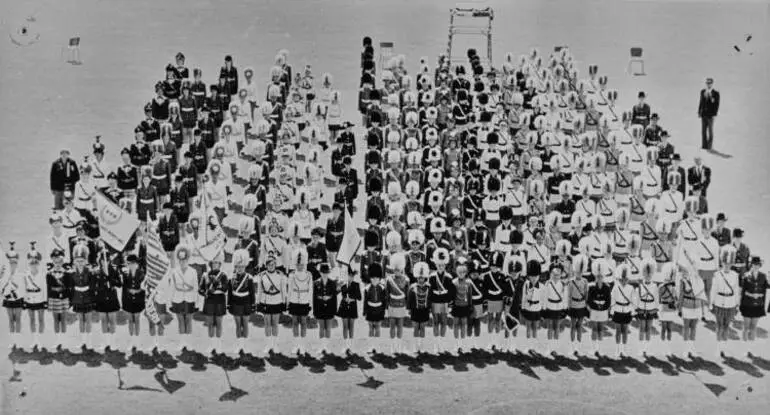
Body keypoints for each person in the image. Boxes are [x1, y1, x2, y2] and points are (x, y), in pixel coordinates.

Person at [711, 246, 740, 358]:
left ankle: (724, 348)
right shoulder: (717, 274)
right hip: (719, 303)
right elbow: (713, 289)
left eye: (729, 264)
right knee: (719, 326)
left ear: (731, 264)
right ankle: (718, 348)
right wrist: (711, 303)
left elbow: (736, 290)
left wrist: (736, 304)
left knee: (727, 326)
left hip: (730, 303)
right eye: (725, 263)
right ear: (722, 263)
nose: (727, 266)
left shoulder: (735, 275)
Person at [256, 253, 287, 354]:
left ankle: (275, 344)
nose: (271, 266)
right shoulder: (262, 276)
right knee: (267, 324)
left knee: (275, 324)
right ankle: (268, 345)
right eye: (269, 264)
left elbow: (283, 290)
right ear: (266, 265)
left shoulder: (280, 275)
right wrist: (258, 302)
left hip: (277, 301)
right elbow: (259, 290)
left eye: (273, 264)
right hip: (266, 301)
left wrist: (284, 302)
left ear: (276, 264)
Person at [169, 245, 198, 351]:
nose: (182, 261)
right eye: (180, 259)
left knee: (189, 321)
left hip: (190, 298)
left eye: (184, 259)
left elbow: (195, 287)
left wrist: (196, 302)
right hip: (178, 298)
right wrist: (171, 301)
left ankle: (189, 343)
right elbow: (172, 287)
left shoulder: (193, 271)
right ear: (178, 259)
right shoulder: (175, 271)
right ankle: (182, 342)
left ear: (187, 259)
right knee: (181, 320)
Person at [739, 256, 769, 358]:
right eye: (754, 264)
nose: (756, 266)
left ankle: (750, 349)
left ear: (760, 266)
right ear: (751, 265)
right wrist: (751, 295)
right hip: (747, 305)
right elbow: (743, 292)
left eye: (757, 265)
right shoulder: (746, 276)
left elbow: (767, 286)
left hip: (758, 306)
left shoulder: (763, 276)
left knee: (753, 327)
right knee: (746, 327)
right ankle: (744, 348)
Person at [93, 247, 121, 351]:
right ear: (100, 260)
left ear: (110, 260)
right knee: (104, 321)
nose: (105, 261)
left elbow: (119, 284)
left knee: (112, 321)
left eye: (107, 259)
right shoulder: (96, 271)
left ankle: (113, 342)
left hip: (112, 298)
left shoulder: (114, 269)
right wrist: (103, 284)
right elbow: (94, 286)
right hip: (101, 298)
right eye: (103, 259)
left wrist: (111, 280)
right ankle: (105, 342)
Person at [228, 250, 254, 355]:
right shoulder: (232, 278)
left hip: (246, 303)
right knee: (238, 325)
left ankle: (245, 345)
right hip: (236, 303)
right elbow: (230, 293)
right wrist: (229, 304)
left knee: (245, 324)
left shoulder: (249, 278)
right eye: (238, 266)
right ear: (235, 266)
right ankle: (239, 345)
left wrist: (253, 305)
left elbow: (252, 293)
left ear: (245, 267)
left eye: (242, 267)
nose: (240, 269)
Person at [70, 244, 95, 350]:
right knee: (80, 320)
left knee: (88, 320)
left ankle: (88, 341)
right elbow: (71, 287)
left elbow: (92, 286)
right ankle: (82, 341)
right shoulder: (72, 273)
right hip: (77, 298)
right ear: (74, 261)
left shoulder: (89, 272)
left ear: (86, 261)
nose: (80, 263)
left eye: (82, 261)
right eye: (78, 261)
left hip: (87, 298)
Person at [287, 251, 312, 354]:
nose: (300, 266)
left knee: (304, 323)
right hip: (294, 300)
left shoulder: (308, 275)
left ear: (305, 264)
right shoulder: (292, 275)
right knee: (294, 323)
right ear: (295, 264)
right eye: (298, 265)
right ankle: (296, 344)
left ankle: (302, 345)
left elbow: (310, 290)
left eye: (302, 265)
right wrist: (288, 302)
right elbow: (289, 290)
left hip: (304, 301)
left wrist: (310, 303)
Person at [47, 249, 72, 349]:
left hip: (64, 299)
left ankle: (64, 340)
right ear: (52, 261)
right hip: (54, 299)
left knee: (64, 320)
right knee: (56, 320)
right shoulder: (49, 273)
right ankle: (57, 340)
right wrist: (47, 301)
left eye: (60, 261)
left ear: (63, 261)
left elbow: (70, 287)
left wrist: (69, 300)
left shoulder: (67, 273)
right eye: (55, 261)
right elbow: (48, 288)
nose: (57, 263)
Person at [634, 259, 659, 357]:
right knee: (641, 328)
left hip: (651, 309)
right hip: (641, 308)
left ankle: (647, 349)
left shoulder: (654, 286)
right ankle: (641, 348)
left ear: (652, 274)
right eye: (646, 273)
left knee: (648, 329)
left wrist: (656, 309)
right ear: (643, 274)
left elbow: (656, 299)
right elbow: (637, 298)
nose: (648, 276)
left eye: (649, 274)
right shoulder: (640, 286)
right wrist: (636, 309)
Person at [121, 254, 146, 350]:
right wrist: (124, 302)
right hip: (128, 300)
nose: (131, 265)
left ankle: (137, 341)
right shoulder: (126, 274)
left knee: (137, 319)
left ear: (137, 264)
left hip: (138, 300)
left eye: (133, 263)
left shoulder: (141, 273)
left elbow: (144, 288)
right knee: (130, 320)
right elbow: (124, 288)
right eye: (129, 263)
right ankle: (131, 341)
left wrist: (138, 291)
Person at [542, 263, 567, 356]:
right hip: (550, 307)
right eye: (554, 274)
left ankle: (555, 348)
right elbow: (544, 296)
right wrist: (544, 308)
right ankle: (549, 348)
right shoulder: (548, 283)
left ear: (561, 275)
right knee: (550, 327)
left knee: (557, 328)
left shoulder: (563, 284)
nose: (556, 276)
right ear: (551, 274)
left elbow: (564, 297)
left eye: (558, 274)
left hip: (559, 307)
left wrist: (564, 308)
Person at [2, 242, 23, 349]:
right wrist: (6, 294)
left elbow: (22, 288)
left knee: (18, 319)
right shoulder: (3, 274)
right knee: (10, 319)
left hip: (17, 298)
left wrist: (16, 295)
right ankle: (12, 340)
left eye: (14, 262)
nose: (12, 264)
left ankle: (18, 340)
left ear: (17, 263)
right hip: (8, 298)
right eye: (10, 262)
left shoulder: (20, 274)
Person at [407, 262, 431, 354]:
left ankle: (422, 346)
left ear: (425, 277)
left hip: (425, 311)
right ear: (416, 277)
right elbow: (409, 300)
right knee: (416, 328)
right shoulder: (412, 287)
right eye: (419, 277)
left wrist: (430, 309)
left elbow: (430, 299)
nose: (421, 279)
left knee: (423, 328)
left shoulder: (429, 287)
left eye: (422, 277)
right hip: (415, 311)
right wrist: (409, 309)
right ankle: (415, 346)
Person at [587, 262, 611, 356]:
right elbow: (589, 300)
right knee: (594, 328)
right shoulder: (591, 286)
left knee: (601, 329)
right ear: (595, 276)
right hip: (594, 310)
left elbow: (608, 300)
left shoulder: (607, 287)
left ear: (603, 277)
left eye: (601, 276)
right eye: (598, 276)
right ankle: (593, 348)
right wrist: (596, 306)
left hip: (603, 310)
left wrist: (602, 307)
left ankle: (599, 349)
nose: (599, 278)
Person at [520, 260, 544, 354]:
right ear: (528, 276)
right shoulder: (526, 284)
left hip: (537, 308)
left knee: (535, 328)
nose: (534, 278)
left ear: (539, 276)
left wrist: (542, 310)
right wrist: (523, 308)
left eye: (536, 276)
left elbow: (542, 299)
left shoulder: (541, 286)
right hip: (528, 308)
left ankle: (534, 346)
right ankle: (528, 346)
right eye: (531, 276)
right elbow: (523, 297)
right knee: (528, 327)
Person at [313, 263, 338, 354]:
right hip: (319, 308)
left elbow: (334, 297)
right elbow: (314, 298)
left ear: (328, 273)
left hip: (330, 308)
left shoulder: (332, 283)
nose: (324, 274)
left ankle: (326, 346)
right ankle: (321, 346)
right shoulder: (316, 283)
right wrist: (315, 311)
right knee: (321, 327)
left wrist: (334, 310)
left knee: (328, 328)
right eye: (323, 272)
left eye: (326, 272)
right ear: (320, 273)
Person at [611, 264, 634, 358]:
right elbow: (612, 299)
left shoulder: (631, 288)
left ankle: (623, 349)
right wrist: (612, 311)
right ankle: (617, 349)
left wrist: (632, 311)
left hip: (627, 310)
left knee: (625, 331)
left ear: (628, 279)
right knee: (618, 331)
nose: (624, 281)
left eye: (626, 279)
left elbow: (633, 300)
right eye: (622, 279)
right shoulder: (616, 288)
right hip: (617, 310)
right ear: (619, 279)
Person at [567, 256, 589, 356]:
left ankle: (578, 347)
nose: (578, 273)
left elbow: (586, 294)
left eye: (580, 272)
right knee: (572, 326)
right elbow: (569, 295)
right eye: (577, 272)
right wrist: (569, 306)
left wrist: (586, 305)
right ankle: (572, 347)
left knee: (579, 326)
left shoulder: (585, 281)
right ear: (574, 271)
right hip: (573, 305)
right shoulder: (571, 282)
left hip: (581, 305)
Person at [363, 263, 386, 353]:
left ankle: (377, 346)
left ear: (379, 278)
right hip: (370, 310)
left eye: (377, 278)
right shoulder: (367, 288)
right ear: (370, 278)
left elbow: (384, 301)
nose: (375, 280)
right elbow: (365, 301)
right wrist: (365, 311)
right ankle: (371, 346)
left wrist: (384, 311)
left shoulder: (382, 288)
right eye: (372, 278)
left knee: (378, 328)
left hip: (379, 310)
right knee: (371, 328)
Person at [697, 77, 720, 150]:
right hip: (704, 114)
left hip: (710, 115)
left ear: (712, 84)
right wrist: (699, 111)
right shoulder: (703, 91)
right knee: (703, 131)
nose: (708, 84)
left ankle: (709, 146)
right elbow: (701, 102)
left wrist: (714, 114)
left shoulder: (715, 93)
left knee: (710, 131)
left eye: (710, 83)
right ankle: (704, 146)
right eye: (707, 83)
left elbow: (716, 104)